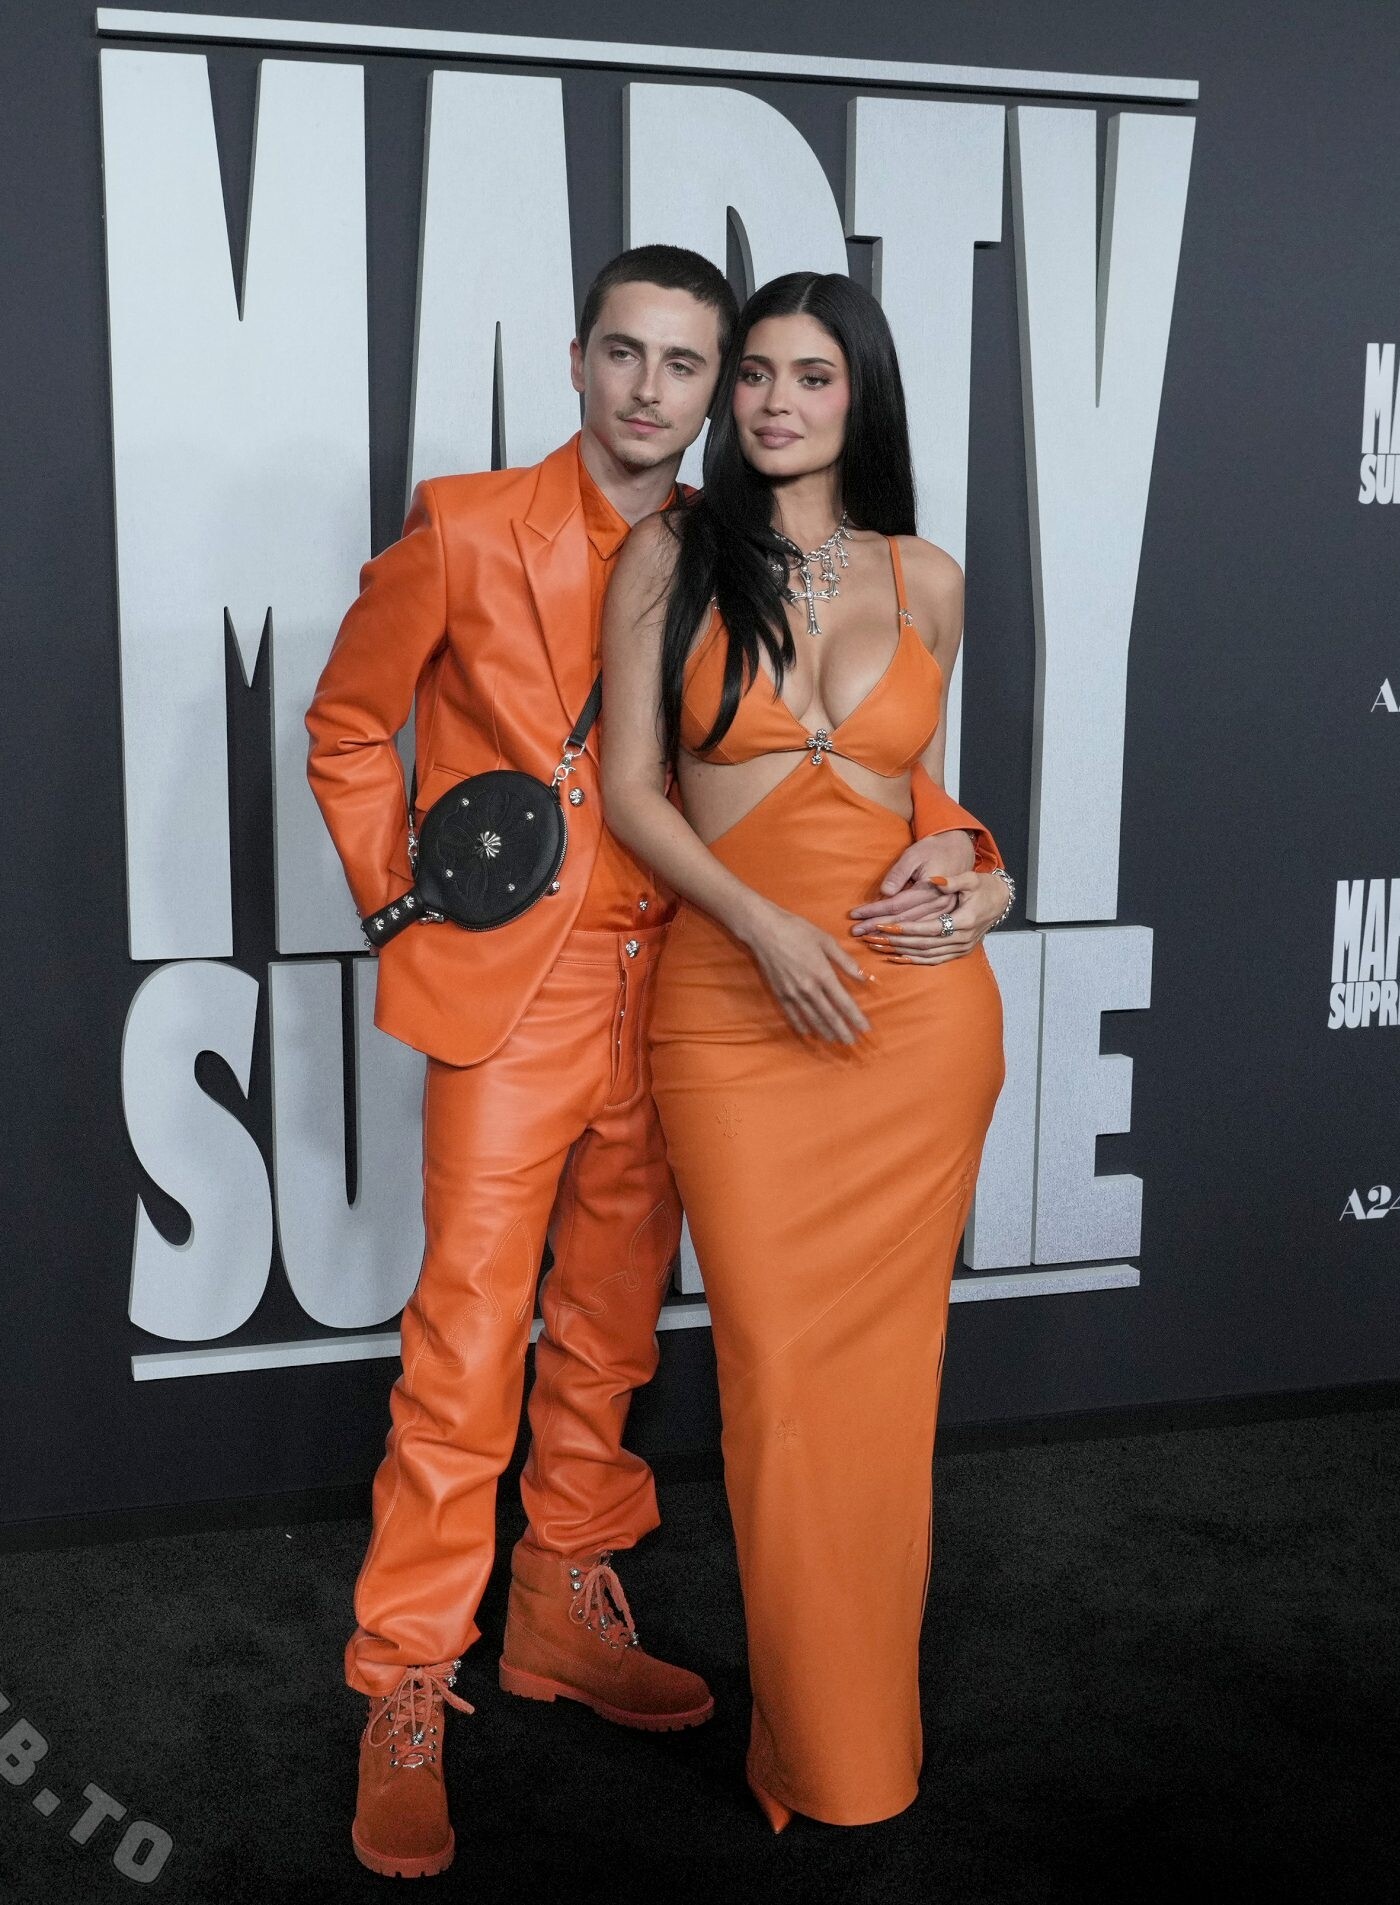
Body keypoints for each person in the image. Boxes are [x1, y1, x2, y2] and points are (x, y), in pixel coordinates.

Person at [305, 246, 997, 1877]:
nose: (656, 388)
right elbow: (346, 723)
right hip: (523, 991)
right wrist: (410, 904)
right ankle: (407, 1679)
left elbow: (870, 768)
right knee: (469, 1333)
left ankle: (560, 1602)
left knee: (612, 1329)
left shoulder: (730, 542)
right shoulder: (470, 523)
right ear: (578, 358)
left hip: (675, 979)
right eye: (629, 353)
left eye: (692, 364)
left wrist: (977, 854)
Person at [600, 269, 1012, 1833]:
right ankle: (817, 1745)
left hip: (916, 1027)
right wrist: (762, 926)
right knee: (776, 1386)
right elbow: (634, 790)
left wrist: (983, 866)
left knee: (887, 1397)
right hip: (736, 1009)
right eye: (757, 374)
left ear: (862, 395)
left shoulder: (929, 577)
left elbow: (916, 789)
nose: (776, 402)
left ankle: (849, 1754)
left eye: (813, 376)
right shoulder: (671, 554)